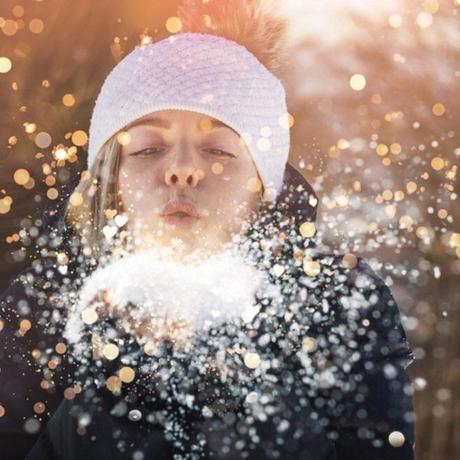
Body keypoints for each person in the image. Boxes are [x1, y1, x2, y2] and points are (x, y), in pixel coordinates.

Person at [0, 1, 415, 459]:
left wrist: (244, 401)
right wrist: (122, 397)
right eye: (147, 149)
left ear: (264, 185)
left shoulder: (339, 304)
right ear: (110, 181)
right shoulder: (43, 308)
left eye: (219, 148)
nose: (182, 170)